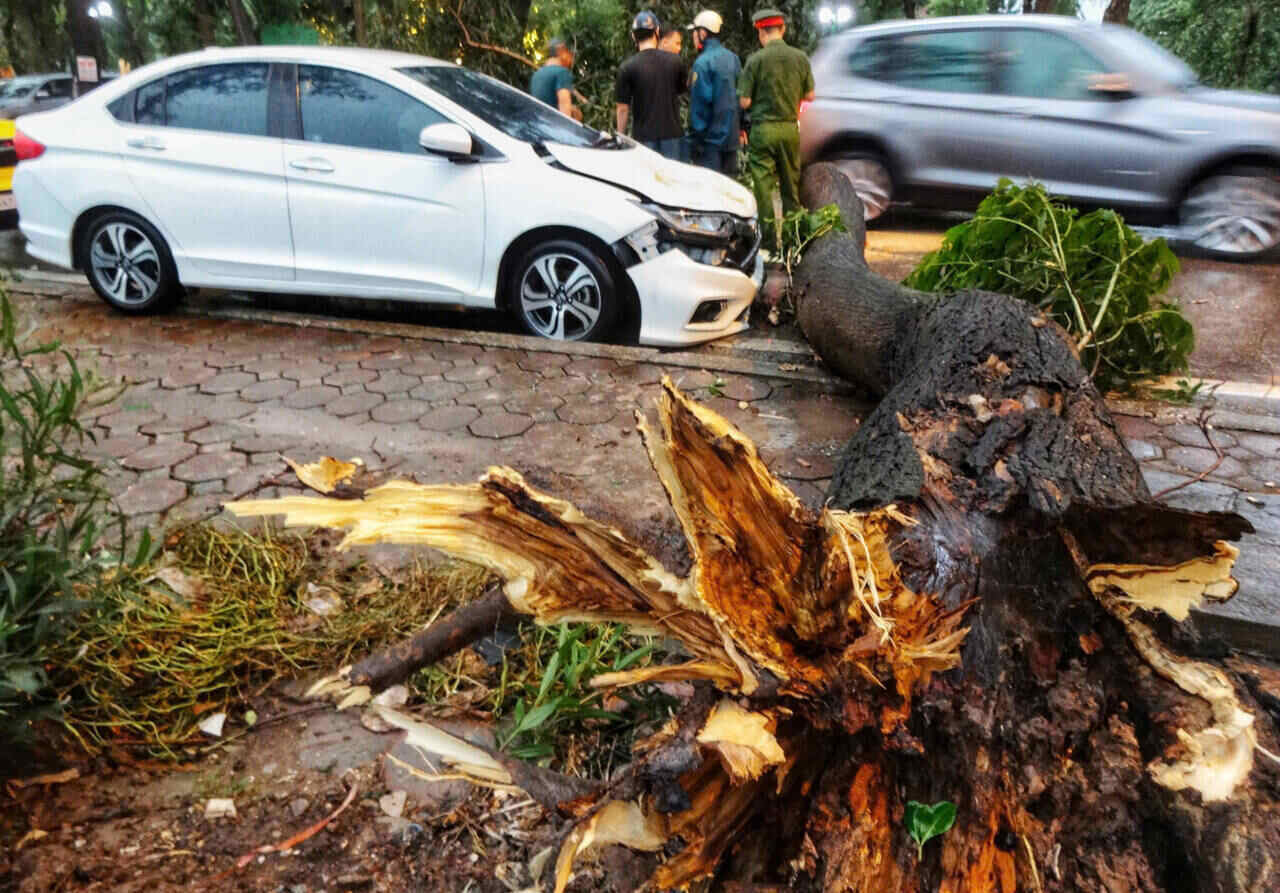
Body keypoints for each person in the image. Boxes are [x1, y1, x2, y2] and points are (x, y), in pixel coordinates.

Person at [738, 7, 814, 240]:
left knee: (763, 188)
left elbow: (744, 101)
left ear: (761, 33)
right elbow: (810, 96)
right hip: (790, 129)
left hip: (763, 130)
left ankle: (770, 243)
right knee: (791, 187)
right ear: (783, 29)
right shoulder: (800, 58)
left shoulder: (755, 60)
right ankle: (793, 243)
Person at [615, 10, 687, 160]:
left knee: (647, 182)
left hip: (644, 139)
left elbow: (622, 108)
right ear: (657, 31)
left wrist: (620, 137)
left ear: (633, 36)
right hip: (672, 137)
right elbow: (680, 91)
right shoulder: (675, 62)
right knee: (672, 181)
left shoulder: (627, 67)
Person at [685, 9, 742, 177]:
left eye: (694, 33)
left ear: (702, 33)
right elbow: (742, 95)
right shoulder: (733, 58)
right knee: (730, 192)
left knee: (710, 195)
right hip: (732, 140)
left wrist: (695, 142)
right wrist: (743, 127)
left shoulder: (702, 63)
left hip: (710, 145)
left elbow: (699, 108)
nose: (693, 37)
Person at [530, 37, 582, 120]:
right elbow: (564, 108)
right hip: (553, 127)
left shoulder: (536, 75)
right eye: (570, 54)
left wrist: (571, 108)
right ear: (561, 51)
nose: (571, 60)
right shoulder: (562, 73)